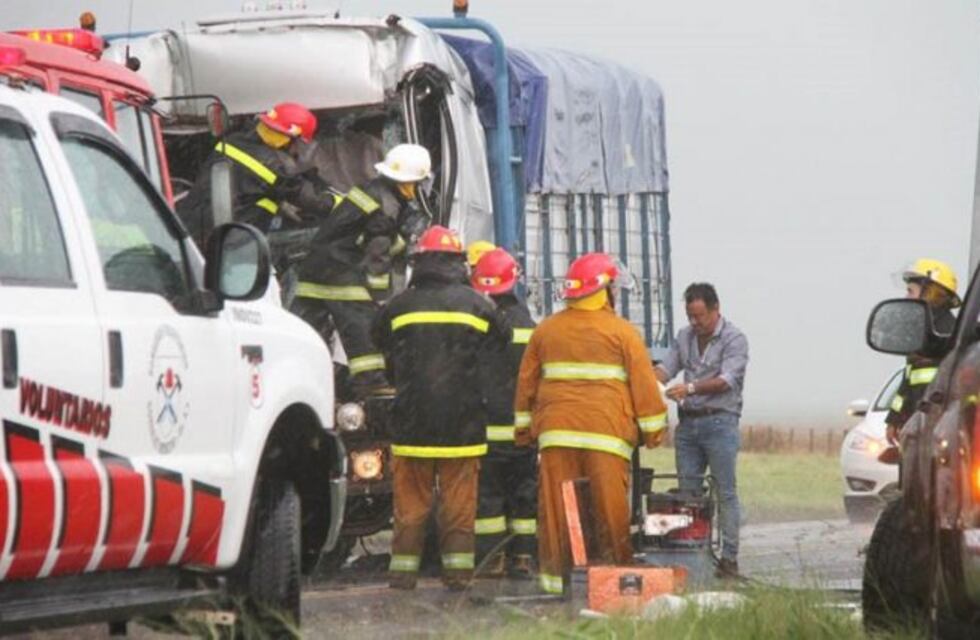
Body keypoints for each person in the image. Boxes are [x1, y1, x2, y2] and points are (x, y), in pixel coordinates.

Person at [514, 252, 668, 595]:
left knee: (556, 513)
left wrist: (524, 432)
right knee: (609, 513)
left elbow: (526, 385)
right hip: (606, 436)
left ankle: (556, 586)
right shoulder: (623, 333)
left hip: (555, 436)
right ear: (604, 290)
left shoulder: (545, 331)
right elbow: (644, 388)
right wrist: (654, 431)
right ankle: (613, 586)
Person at [372, 225, 510, 591]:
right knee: (459, 506)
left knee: (410, 507)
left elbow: (378, 339)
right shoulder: (478, 305)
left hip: (411, 424)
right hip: (463, 426)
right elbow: (501, 342)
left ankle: (403, 575)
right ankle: (459, 575)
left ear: (419, 262)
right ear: (459, 263)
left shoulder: (399, 306)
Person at [291, 144, 431, 397]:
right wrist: (378, 296)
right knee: (362, 326)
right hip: (341, 271)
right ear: (409, 182)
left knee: (307, 330)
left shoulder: (372, 191)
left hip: (314, 268)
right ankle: (372, 383)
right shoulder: (387, 206)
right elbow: (377, 252)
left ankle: (302, 377)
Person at [655, 282, 749, 579]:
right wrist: (652, 379)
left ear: (715, 310)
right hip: (688, 426)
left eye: (700, 316)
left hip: (720, 422)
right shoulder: (684, 337)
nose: (695, 323)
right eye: (690, 316)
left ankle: (729, 559)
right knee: (688, 493)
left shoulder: (735, 340)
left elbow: (727, 380)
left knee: (725, 492)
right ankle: (695, 557)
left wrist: (691, 388)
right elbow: (667, 367)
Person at [470, 248, 538, 578]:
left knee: (489, 499)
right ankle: (523, 556)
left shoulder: (477, 324)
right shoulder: (530, 326)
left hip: (486, 429)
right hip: (522, 430)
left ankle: (491, 559)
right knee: (524, 495)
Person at [176, 102, 322, 241]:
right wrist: (340, 203)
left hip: (189, 226)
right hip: (227, 247)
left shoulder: (234, 141)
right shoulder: (276, 167)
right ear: (291, 140)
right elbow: (315, 202)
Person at [884, 259, 959, 447]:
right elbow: (908, 381)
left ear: (931, 293)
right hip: (917, 426)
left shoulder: (949, 333)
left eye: (911, 291)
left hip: (940, 430)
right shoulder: (922, 332)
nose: (906, 297)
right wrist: (894, 418)